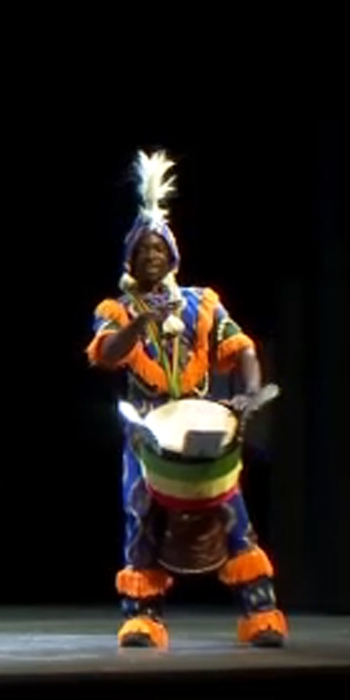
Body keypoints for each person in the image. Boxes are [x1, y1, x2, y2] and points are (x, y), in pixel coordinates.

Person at [85, 149, 288, 650]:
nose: (152, 255)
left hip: (199, 425)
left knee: (232, 511)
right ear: (130, 260)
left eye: (160, 248)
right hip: (147, 430)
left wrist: (248, 393)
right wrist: (139, 321)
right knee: (142, 515)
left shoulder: (201, 304)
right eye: (143, 250)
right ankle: (144, 618)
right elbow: (108, 353)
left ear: (172, 257)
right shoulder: (116, 308)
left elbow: (242, 349)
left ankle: (261, 612)